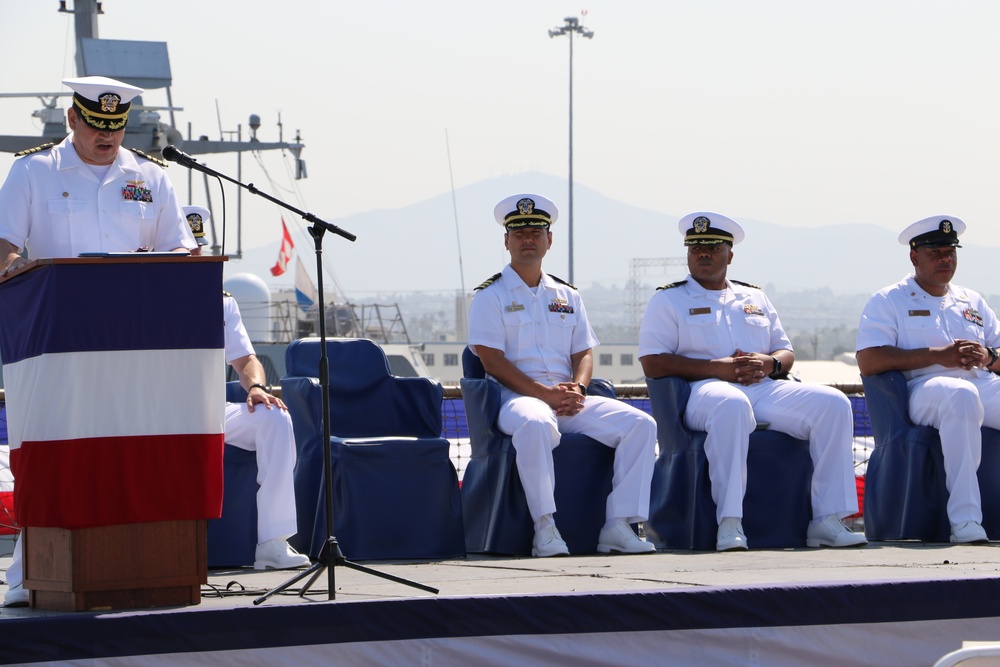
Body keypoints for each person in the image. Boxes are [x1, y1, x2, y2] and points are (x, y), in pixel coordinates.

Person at [638, 212, 867, 552]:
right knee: (732, 405)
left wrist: (769, 363)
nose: (703, 254)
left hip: (762, 385)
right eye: (696, 248)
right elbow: (653, 361)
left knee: (833, 404)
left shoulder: (754, 297)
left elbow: (785, 352)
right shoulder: (668, 299)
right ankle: (729, 522)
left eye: (712, 248)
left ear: (729, 255)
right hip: (701, 390)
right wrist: (717, 368)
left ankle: (827, 520)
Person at [467, 193, 657, 557]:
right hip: (516, 399)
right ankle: (546, 528)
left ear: (549, 240)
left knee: (641, 425)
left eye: (536, 232)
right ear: (505, 240)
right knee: (537, 423)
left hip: (568, 400)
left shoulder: (568, 295)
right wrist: (544, 394)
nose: (527, 238)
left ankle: (618, 525)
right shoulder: (489, 296)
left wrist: (579, 388)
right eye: (518, 232)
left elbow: (583, 350)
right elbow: (491, 361)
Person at [856, 215, 1000, 544]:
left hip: (980, 381)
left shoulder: (971, 300)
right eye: (936, 252)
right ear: (914, 256)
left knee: (968, 392)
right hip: (922, 388)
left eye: (951, 252)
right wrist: (938, 355)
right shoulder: (889, 299)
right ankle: (965, 521)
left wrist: (989, 356)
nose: (945, 259)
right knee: (960, 396)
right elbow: (869, 360)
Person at [0, 75, 196, 275]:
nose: (107, 136)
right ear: (73, 119)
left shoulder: (152, 175)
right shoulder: (32, 170)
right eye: (97, 125)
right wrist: (11, 261)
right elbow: (3, 242)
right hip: (61, 298)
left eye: (116, 126)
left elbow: (177, 247)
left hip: (134, 299)